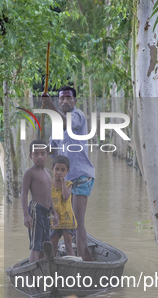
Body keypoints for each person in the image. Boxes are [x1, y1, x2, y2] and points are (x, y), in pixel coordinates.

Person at [41, 86, 95, 261]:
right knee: (64, 220)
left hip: (81, 176)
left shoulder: (77, 116)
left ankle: (84, 260)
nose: (65, 101)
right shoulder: (57, 124)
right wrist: (42, 151)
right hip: (65, 179)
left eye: (68, 98)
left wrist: (50, 106)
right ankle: (65, 257)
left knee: (77, 220)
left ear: (74, 100)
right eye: (61, 99)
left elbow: (67, 124)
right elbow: (53, 149)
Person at [22, 139, 59, 263]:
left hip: (45, 213)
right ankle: (33, 275)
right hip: (35, 211)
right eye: (36, 154)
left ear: (47, 155)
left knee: (45, 245)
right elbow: (24, 193)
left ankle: (43, 272)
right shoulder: (30, 172)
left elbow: (49, 195)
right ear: (30, 156)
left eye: (43, 154)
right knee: (36, 246)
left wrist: (53, 213)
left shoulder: (47, 173)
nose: (39, 157)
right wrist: (26, 215)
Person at [50, 155, 77, 256]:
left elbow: (65, 196)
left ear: (67, 172)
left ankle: (74, 266)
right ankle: (53, 267)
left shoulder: (69, 184)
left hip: (67, 219)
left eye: (62, 170)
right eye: (57, 169)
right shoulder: (49, 184)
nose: (59, 172)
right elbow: (46, 200)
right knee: (53, 246)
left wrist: (63, 182)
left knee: (68, 245)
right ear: (52, 169)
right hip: (54, 218)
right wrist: (51, 213)